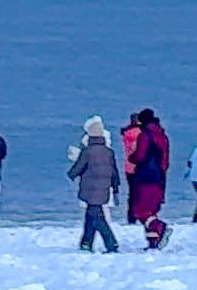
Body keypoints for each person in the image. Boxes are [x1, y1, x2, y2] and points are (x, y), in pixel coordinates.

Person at [68, 116, 123, 252]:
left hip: (90, 189)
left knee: (97, 217)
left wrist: (72, 174)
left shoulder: (87, 151)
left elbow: (78, 168)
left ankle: (111, 244)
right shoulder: (109, 152)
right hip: (104, 188)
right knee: (90, 215)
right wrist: (115, 187)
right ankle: (86, 242)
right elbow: (114, 171)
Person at [129, 108, 172, 224]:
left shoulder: (145, 135)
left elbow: (140, 156)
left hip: (145, 174)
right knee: (152, 207)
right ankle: (154, 233)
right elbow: (165, 158)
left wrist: (131, 157)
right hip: (159, 175)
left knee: (141, 208)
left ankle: (159, 227)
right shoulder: (162, 135)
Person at [120, 114, 144, 221]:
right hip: (140, 167)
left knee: (132, 193)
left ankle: (131, 216)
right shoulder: (140, 133)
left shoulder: (126, 133)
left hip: (129, 167)